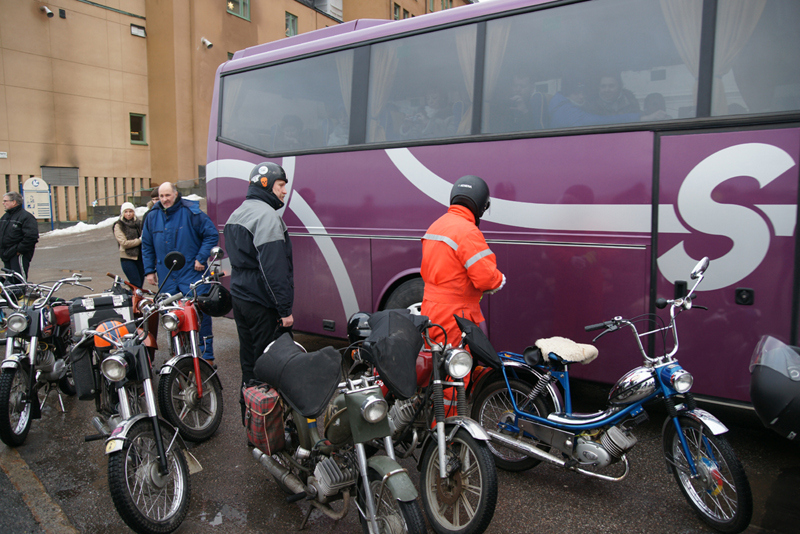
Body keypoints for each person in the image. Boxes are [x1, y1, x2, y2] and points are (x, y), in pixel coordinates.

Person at [420, 175, 505, 408]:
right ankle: (446, 426)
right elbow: (487, 278)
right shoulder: (467, 231)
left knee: (435, 366)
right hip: (455, 315)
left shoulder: (437, 225)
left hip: (431, 309)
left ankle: (428, 413)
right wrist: (500, 280)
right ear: (481, 205)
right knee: (455, 374)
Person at [223, 162, 293, 423]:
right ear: (266, 185)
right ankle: (269, 426)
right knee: (269, 364)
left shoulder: (237, 213)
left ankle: (250, 420)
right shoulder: (267, 217)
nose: (284, 191)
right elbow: (273, 270)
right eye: (281, 185)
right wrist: (284, 310)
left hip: (240, 298)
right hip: (262, 303)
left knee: (249, 362)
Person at [142, 182, 219, 363]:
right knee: (171, 316)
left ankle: (206, 355)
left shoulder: (191, 212)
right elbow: (147, 246)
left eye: (167, 195)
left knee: (201, 313)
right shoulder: (152, 216)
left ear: (176, 194)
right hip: (167, 276)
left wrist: (201, 258)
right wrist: (149, 271)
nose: (164, 199)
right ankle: (178, 356)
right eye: (161, 196)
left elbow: (211, 234)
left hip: (191, 274)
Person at [549, 75, 667, 128]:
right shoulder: (567, 111)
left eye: (582, 93)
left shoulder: (631, 101)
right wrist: (642, 118)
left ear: (619, 87)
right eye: (576, 93)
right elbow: (602, 122)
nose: (581, 97)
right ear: (566, 94)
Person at [0, 191, 39, 280]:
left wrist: (19, 250)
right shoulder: (5, 217)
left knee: (18, 280)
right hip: (6, 254)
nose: (3, 203)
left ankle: (21, 289)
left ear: (14, 202)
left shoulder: (26, 217)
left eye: (5, 201)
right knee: (9, 281)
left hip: (18, 255)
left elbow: (31, 237)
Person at [112, 202, 145, 288]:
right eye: (126, 212)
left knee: (140, 283)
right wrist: (139, 240)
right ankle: (132, 296)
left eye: (130, 211)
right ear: (122, 213)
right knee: (135, 283)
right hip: (127, 258)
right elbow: (124, 243)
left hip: (140, 257)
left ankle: (134, 296)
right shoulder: (119, 225)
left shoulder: (139, 223)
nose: (128, 214)